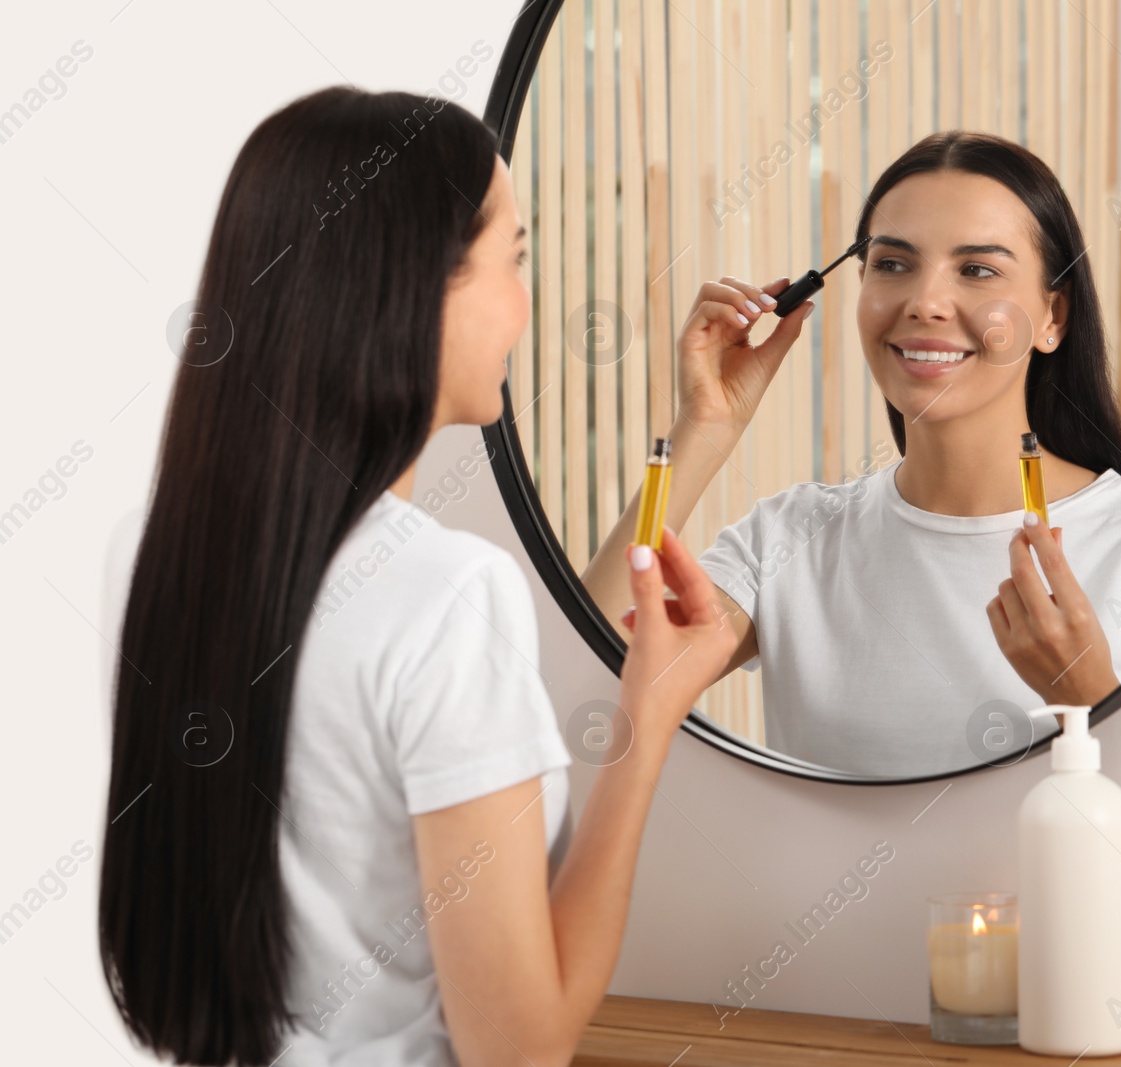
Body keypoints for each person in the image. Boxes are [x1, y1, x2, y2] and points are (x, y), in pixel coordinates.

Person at [98, 87, 733, 1067]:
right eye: (514, 258)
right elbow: (517, 1049)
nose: (527, 301)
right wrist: (644, 724)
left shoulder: (155, 550)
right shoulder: (448, 591)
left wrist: (705, 432)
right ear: (414, 283)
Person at [583, 132, 1121, 777]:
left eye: (977, 270)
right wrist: (704, 427)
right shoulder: (788, 542)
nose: (924, 302)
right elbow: (586, 681)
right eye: (893, 264)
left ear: (1053, 316)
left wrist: (1086, 697)